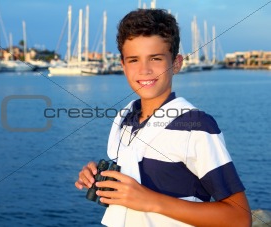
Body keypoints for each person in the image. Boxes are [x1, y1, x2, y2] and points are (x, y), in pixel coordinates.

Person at [75, 8, 251, 227]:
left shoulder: (195, 127)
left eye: (156, 58)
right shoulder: (126, 118)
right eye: (133, 60)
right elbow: (134, 184)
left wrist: (150, 201)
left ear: (176, 63)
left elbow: (239, 218)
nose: (145, 70)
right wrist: (99, 178)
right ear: (122, 65)